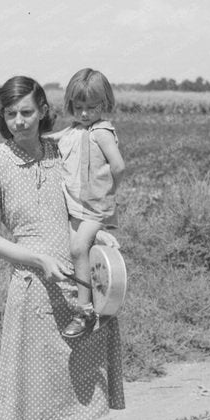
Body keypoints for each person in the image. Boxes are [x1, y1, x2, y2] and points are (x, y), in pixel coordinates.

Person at [0, 75, 126, 420]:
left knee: (76, 379)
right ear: (2, 116)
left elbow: (91, 198)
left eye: (28, 112)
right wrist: (37, 259)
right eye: (11, 114)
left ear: (43, 112)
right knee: (27, 384)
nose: (20, 121)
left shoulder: (65, 148)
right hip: (30, 286)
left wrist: (99, 237)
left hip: (74, 287)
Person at [51, 67, 125, 338]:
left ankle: (85, 310)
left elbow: (119, 166)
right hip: (76, 206)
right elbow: (52, 139)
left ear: (104, 104)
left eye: (91, 107)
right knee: (79, 252)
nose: (84, 113)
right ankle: (95, 304)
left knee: (78, 247)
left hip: (94, 207)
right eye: (78, 106)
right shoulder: (74, 130)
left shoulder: (101, 132)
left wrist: (109, 192)